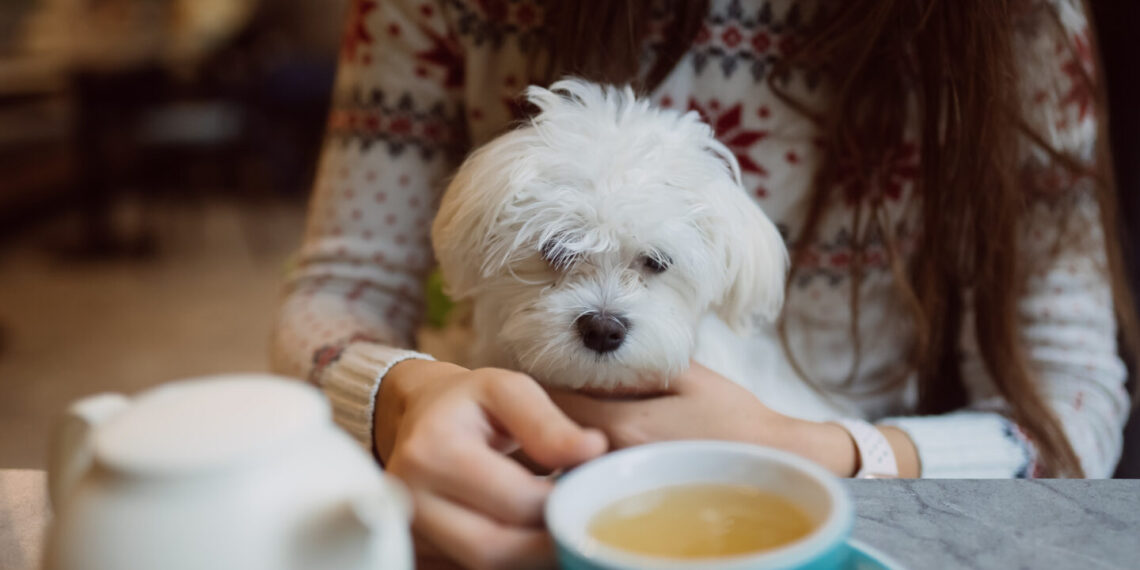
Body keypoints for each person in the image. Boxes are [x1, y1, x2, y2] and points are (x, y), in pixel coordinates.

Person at [271, 0, 1137, 567]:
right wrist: (399, 398)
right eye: (562, 256)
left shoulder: (1018, 24)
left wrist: (824, 452)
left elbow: (1069, 414)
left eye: (651, 266)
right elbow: (342, 286)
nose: (604, 312)